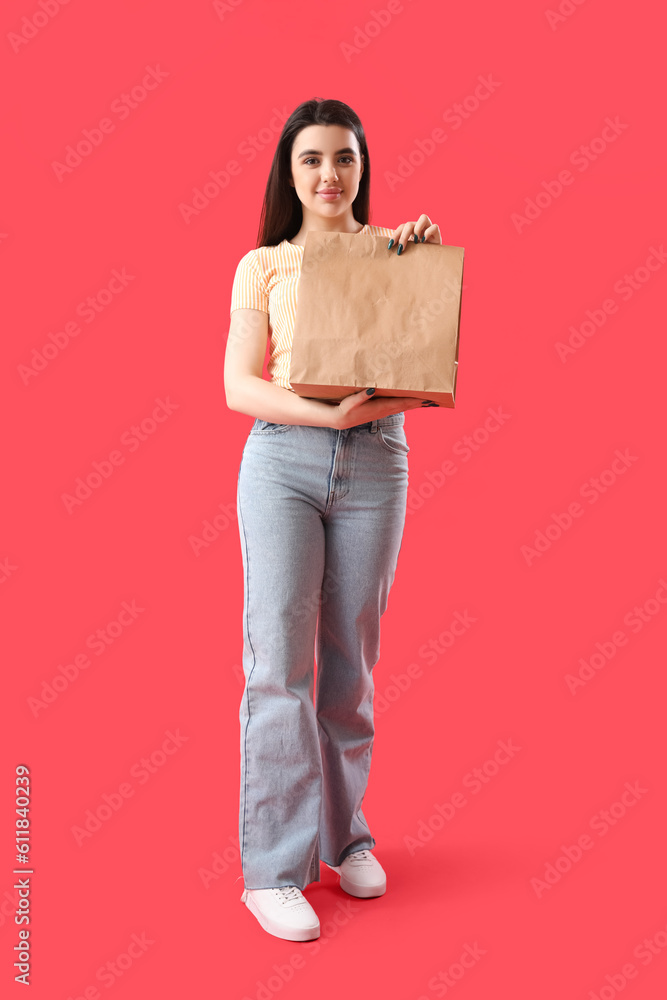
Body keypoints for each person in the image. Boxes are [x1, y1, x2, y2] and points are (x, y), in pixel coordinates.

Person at [224, 97, 442, 942]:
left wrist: (419, 271)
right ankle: (271, 872)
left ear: (362, 167)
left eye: (343, 158)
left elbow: (420, 362)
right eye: (311, 159)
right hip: (282, 459)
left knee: (352, 655)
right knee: (279, 662)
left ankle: (343, 840)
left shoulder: (394, 253)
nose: (328, 174)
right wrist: (329, 418)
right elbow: (239, 385)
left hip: (377, 461)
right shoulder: (262, 266)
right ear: (289, 170)